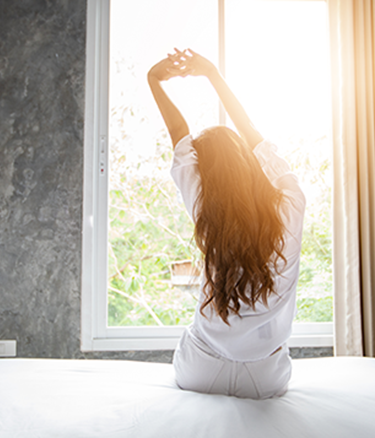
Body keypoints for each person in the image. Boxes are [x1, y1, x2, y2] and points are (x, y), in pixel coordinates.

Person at [147, 49, 306, 399]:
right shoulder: (292, 203)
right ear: (248, 163)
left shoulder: (206, 208)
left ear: (206, 176)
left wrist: (154, 80)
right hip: (265, 377)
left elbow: (178, 133)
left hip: (202, 369)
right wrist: (213, 75)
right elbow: (253, 136)